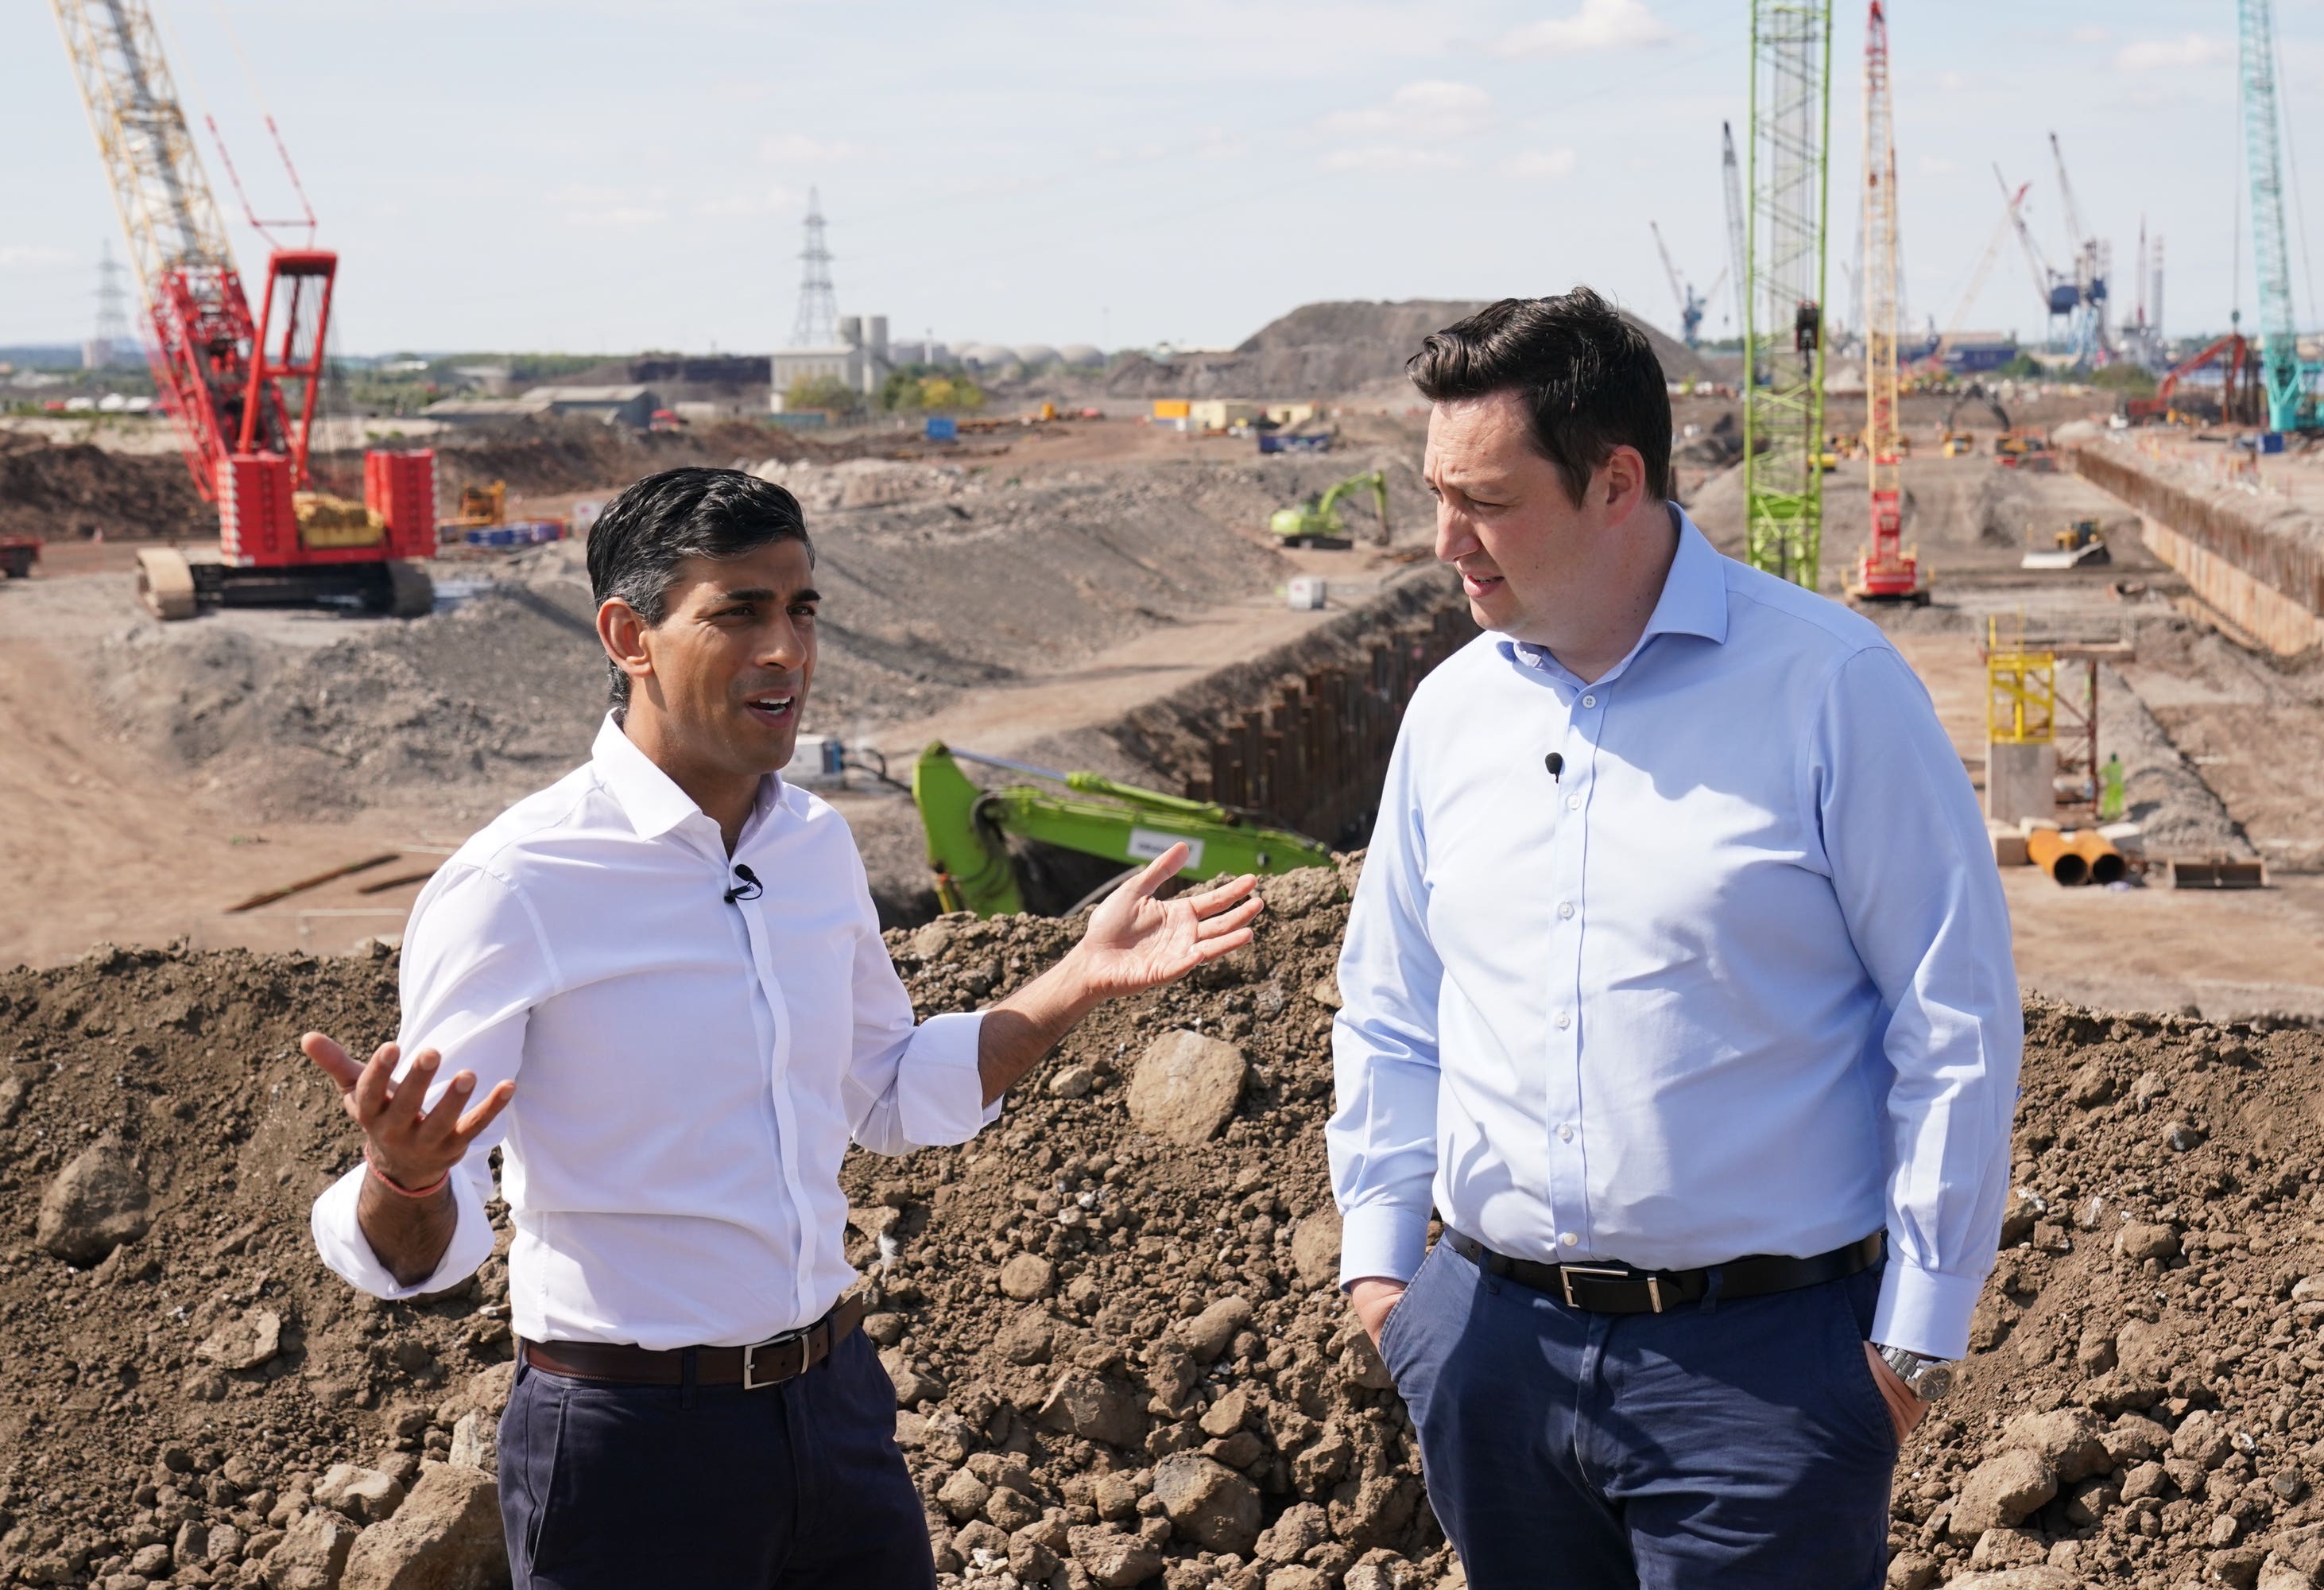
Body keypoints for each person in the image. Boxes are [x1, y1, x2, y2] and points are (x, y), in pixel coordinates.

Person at [301, 466, 1263, 1590]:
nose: (787, 651)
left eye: (802, 610)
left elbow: (889, 1091)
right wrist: (406, 1178)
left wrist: (1075, 982)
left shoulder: (813, 846)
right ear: (630, 635)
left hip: (836, 1415)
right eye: (738, 613)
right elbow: (424, 1235)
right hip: (630, 1451)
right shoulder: (516, 883)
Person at [1327, 289, 2020, 1588]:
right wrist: (1385, 1284)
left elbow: (1955, 1021)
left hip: (1761, 1375)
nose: (1444, 539)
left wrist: (1908, 1351)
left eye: (1483, 498)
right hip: (1489, 1352)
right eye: (1436, 491)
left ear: (1616, 481)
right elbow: (1391, 1007)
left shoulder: (1832, 690)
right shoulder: (1448, 714)